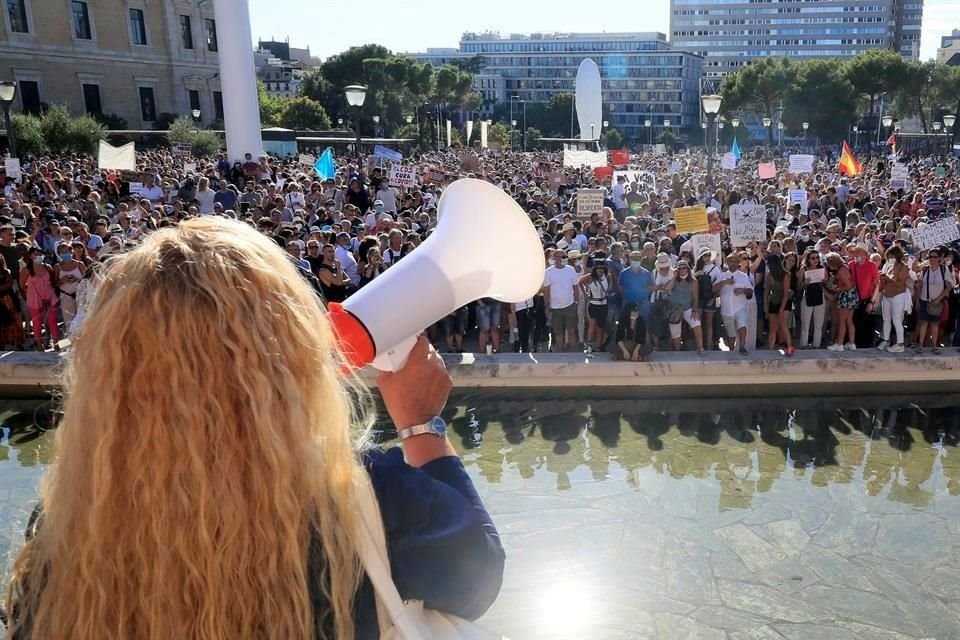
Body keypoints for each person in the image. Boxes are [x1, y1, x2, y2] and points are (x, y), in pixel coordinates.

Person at [4, 218, 504, 640]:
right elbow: (477, 579)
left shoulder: (61, 535)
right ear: (286, 354)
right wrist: (420, 424)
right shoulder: (364, 498)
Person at [18, 247, 60, 351]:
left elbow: (53, 281)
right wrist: (29, 293)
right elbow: (22, 285)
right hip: (34, 299)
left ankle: (55, 343)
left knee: (52, 320)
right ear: (31, 255)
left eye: (40, 254)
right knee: (36, 322)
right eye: (35, 254)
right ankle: (39, 344)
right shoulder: (26, 270)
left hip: (50, 297)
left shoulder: (47, 267)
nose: (39, 256)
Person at [915, 248, 954, 353]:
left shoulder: (943, 269)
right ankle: (921, 346)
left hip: (937, 303)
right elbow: (920, 286)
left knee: (935, 324)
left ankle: (934, 346)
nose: (932, 259)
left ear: (939, 258)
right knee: (923, 323)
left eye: (935, 257)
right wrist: (918, 300)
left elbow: (949, 286)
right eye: (930, 257)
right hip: (924, 300)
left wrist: (939, 299)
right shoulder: (925, 269)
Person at [664, 259, 705, 355]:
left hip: (687, 307)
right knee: (675, 331)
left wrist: (695, 309)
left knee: (696, 323)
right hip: (674, 308)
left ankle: (700, 348)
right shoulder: (674, 280)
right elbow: (667, 289)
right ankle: (678, 351)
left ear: (688, 269)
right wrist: (674, 277)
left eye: (684, 268)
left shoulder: (694, 282)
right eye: (680, 268)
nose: (682, 270)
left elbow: (695, 297)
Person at [542, 249, 579, 353]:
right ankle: (560, 353)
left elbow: (575, 287)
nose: (564, 259)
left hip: (570, 305)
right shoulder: (548, 272)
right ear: (555, 258)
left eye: (565, 257)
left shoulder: (571, 269)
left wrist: (576, 302)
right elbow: (546, 290)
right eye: (561, 257)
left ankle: (573, 352)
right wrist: (546, 306)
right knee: (558, 332)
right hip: (555, 307)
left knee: (571, 331)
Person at [717, 252, 753, 355]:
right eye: (730, 261)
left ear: (738, 263)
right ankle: (731, 350)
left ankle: (742, 346)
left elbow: (750, 291)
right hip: (726, 309)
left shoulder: (743, 276)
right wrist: (724, 282)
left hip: (740, 307)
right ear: (727, 263)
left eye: (735, 261)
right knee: (730, 333)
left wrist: (742, 290)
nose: (733, 263)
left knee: (742, 326)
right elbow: (713, 289)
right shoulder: (722, 275)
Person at [877, 245, 910, 353]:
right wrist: (883, 278)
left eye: (892, 256)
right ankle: (886, 340)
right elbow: (888, 280)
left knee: (896, 320)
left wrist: (887, 278)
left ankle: (900, 344)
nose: (890, 258)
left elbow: (901, 283)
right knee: (886, 319)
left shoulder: (904, 267)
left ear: (897, 255)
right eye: (888, 256)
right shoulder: (890, 266)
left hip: (898, 296)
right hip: (887, 295)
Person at [826, 253, 858, 352]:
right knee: (849, 320)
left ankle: (839, 344)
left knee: (842, 321)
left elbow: (848, 285)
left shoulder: (841, 270)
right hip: (852, 295)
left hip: (846, 296)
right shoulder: (845, 267)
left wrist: (837, 290)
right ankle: (852, 343)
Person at [578, 260, 611, 353]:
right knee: (592, 324)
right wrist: (585, 293)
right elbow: (580, 281)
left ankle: (598, 346)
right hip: (593, 303)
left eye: (602, 268)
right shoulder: (591, 277)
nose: (600, 269)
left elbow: (610, 287)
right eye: (598, 268)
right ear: (595, 269)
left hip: (603, 303)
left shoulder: (607, 277)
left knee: (601, 327)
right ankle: (589, 345)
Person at [798, 250, 826, 349]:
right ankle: (803, 345)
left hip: (820, 296)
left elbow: (826, 284)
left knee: (818, 324)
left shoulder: (822, 268)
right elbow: (798, 286)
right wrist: (805, 283)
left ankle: (816, 345)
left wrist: (824, 281)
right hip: (807, 296)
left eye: (817, 258)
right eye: (813, 258)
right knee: (805, 324)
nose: (816, 260)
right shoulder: (803, 269)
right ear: (808, 259)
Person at [55, 242, 85, 331]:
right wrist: (63, 280)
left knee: (83, 319)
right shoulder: (57, 267)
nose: (65, 253)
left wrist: (77, 279)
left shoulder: (80, 264)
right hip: (65, 296)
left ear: (71, 251)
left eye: (66, 251)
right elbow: (55, 284)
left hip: (80, 295)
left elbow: (87, 280)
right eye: (62, 252)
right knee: (69, 320)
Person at [0, 253, 24, 350]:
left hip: (9, 299)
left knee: (15, 320)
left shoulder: (6, 272)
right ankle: (2, 344)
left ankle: (18, 342)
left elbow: (9, 284)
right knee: (1, 322)